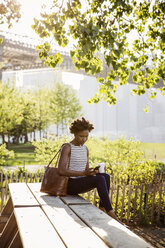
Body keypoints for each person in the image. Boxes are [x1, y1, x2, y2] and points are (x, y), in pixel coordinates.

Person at [58, 117, 123, 224]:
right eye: (81, 136)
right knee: (100, 179)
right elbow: (61, 170)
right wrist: (84, 173)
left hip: (80, 181)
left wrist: (94, 172)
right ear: (74, 134)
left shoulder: (85, 149)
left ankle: (102, 209)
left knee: (105, 176)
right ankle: (111, 214)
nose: (84, 139)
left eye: (86, 136)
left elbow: (86, 170)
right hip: (69, 185)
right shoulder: (67, 147)